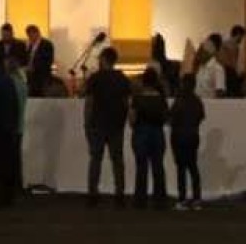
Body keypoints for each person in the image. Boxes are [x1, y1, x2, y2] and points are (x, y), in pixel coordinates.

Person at [82, 48, 130, 206]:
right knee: (117, 160)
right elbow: (126, 102)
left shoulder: (95, 78)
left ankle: (92, 194)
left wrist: (86, 122)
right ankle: (120, 193)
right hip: (116, 124)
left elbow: (89, 102)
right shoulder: (122, 78)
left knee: (96, 159)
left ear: (103, 59)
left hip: (97, 123)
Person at [130, 68, 170, 208]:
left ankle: (140, 200)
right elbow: (166, 118)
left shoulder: (137, 97)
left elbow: (132, 118)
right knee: (158, 166)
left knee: (141, 167)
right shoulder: (161, 98)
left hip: (141, 132)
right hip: (157, 134)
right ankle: (160, 200)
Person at [0, 52, 23, 207]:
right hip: (11, 126)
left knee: (0, 164)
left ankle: (1, 198)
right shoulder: (11, 82)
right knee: (9, 162)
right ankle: (8, 196)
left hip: (0, 127)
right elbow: (15, 106)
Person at [168, 72, 205, 210]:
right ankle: (197, 198)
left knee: (181, 169)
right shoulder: (197, 101)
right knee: (193, 168)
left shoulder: (179, 100)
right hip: (193, 136)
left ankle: (182, 198)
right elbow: (200, 117)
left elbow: (171, 117)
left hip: (179, 137)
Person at [23, 25, 56, 96]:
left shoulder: (47, 44)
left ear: (37, 33)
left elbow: (48, 61)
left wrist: (34, 67)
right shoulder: (30, 46)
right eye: (28, 35)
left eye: (31, 34)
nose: (30, 37)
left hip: (42, 78)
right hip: (31, 78)